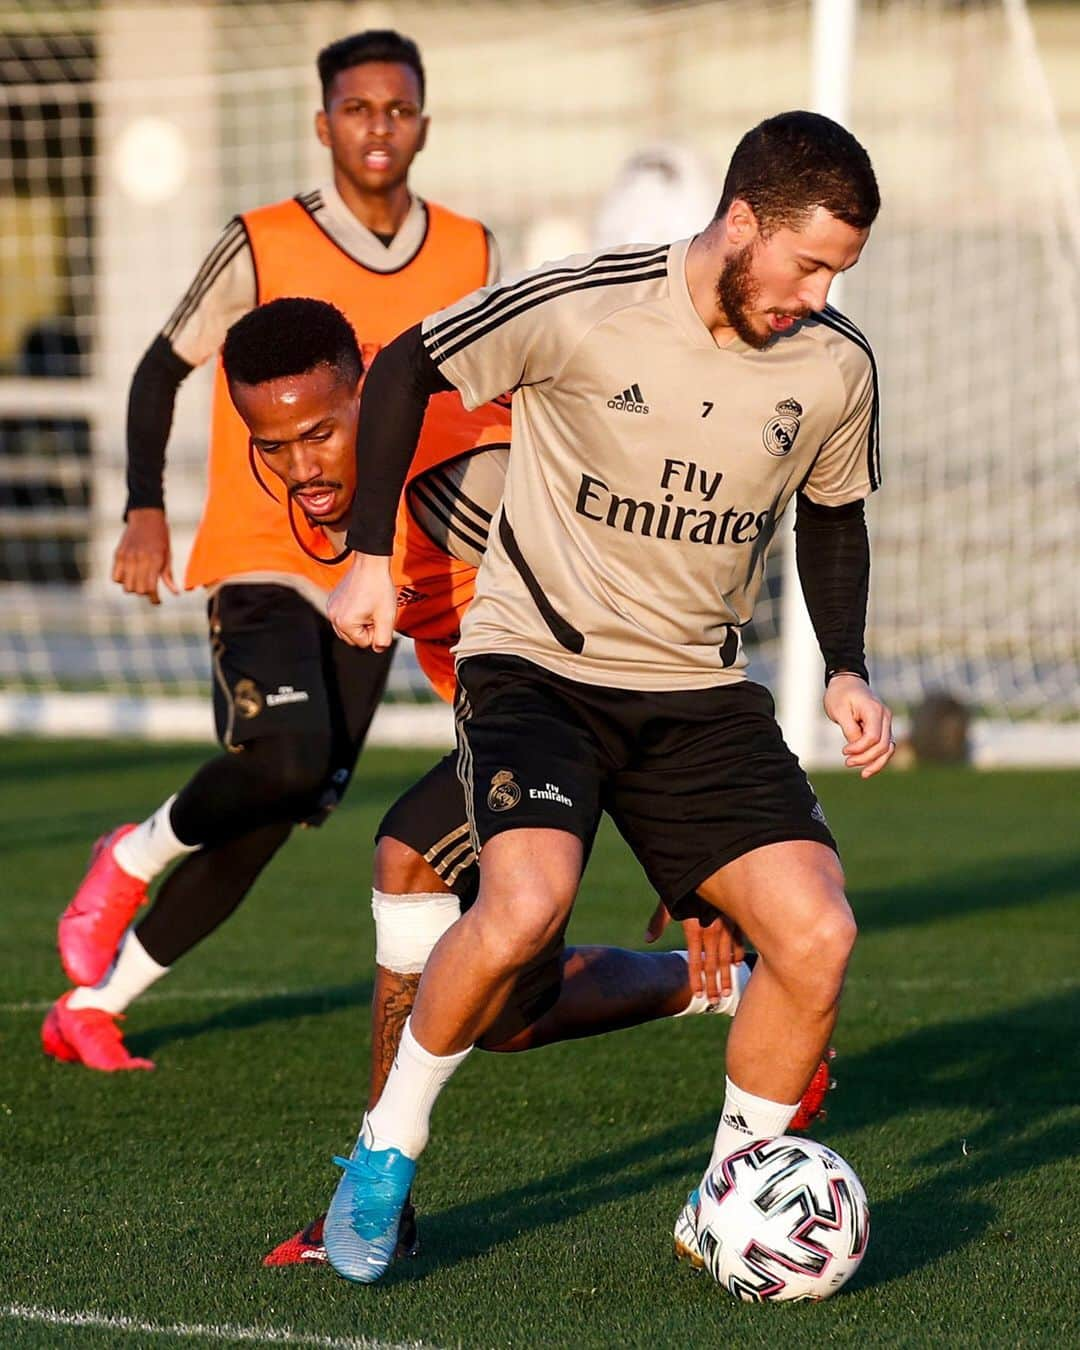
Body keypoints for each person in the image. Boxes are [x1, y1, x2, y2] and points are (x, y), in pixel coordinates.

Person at [322, 109, 895, 1284]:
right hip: (538, 666)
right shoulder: (582, 304)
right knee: (525, 903)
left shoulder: (837, 366)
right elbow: (406, 364)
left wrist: (845, 664)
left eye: (841, 268)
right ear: (743, 222)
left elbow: (835, 514)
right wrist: (372, 557)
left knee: (819, 934)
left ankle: (725, 1196)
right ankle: (386, 1150)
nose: (819, 289)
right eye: (809, 261)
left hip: (696, 686)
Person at [188, 297, 831, 1265]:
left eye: (320, 432)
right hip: (518, 719)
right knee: (505, 1022)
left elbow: (647, 622)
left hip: (619, 705)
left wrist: (697, 860)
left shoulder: (465, 480)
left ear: (369, 392)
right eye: (270, 443)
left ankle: (377, 1202)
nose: (299, 466)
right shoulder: (335, 494)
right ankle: (730, 990)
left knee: (408, 858)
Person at [42, 29, 498, 1072]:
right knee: (285, 757)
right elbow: (160, 369)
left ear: (422, 122)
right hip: (261, 553)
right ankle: (131, 853)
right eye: (357, 108)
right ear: (321, 122)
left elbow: (492, 384)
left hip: (384, 564)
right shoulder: (261, 239)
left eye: (397, 108)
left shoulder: (471, 251)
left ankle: (95, 1005)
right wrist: (145, 508)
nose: (377, 127)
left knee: (296, 797)